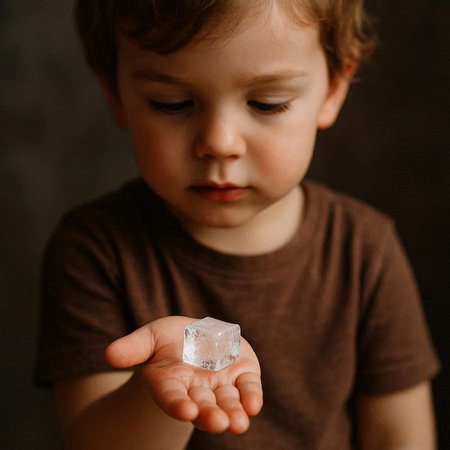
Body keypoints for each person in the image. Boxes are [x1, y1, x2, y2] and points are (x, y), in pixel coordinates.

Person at [35, 0, 440, 448]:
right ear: (116, 94)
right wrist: (162, 390)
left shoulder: (365, 249)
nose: (219, 143)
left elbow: (401, 437)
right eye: (173, 104)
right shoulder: (95, 250)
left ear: (332, 92)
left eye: (267, 104)